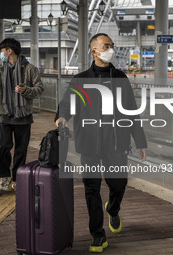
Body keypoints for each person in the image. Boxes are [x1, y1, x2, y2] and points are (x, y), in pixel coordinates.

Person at [55, 33, 147, 253]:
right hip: (89, 145)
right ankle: (98, 234)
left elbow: (131, 111)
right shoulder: (80, 79)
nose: (110, 49)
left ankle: (113, 209)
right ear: (94, 50)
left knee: (119, 185)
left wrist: (140, 140)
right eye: (106, 46)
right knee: (91, 189)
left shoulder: (121, 79)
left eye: (112, 46)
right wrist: (62, 117)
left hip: (116, 144)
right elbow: (67, 103)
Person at [0, 38, 44, 191]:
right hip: (6, 116)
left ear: (9, 51)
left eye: (2, 51)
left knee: (21, 150)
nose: (1, 54)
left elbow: (39, 89)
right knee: (4, 148)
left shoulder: (30, 69)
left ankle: (18, 179)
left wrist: (26, 90)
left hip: (24, 117)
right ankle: (4, 177)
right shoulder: (0, 70)